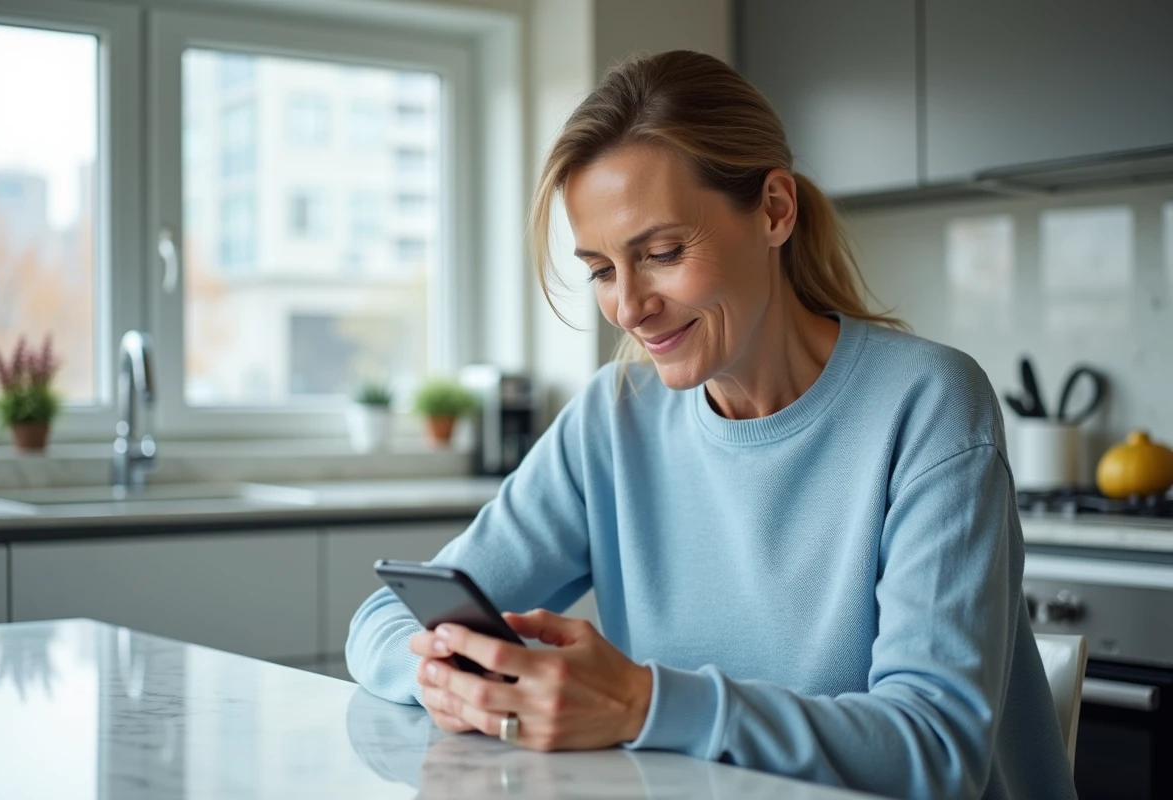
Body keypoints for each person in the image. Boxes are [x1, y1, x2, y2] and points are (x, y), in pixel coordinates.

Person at [347, 50, 1076, 800]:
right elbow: (382, 620)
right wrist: (450, 680)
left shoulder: (927, 402)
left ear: (774, 210)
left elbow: (934, 752)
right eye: (601, 269)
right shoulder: (613, 419)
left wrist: (641, 701)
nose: (628, 307)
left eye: (662, 253)